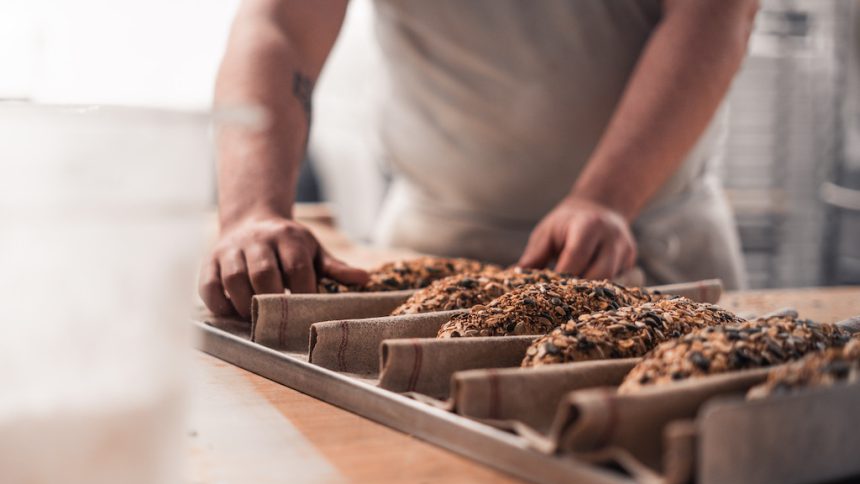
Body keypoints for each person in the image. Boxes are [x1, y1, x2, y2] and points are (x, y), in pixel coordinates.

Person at [200, 0, 758, 318]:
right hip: (434, 246)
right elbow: (278, 28)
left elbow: (716, 13)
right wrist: (252, 211)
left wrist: (606, 198)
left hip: (651, 247)